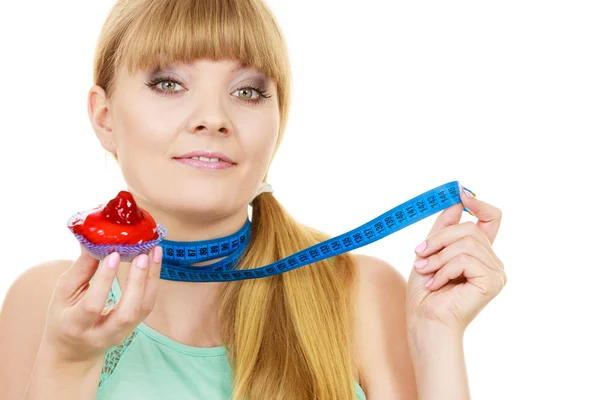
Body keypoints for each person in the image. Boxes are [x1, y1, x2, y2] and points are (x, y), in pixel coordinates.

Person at [0, 0, 506, 399]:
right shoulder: (46, 301)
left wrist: (436, 340)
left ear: (277, 122)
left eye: (247, 92)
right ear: (104, 118)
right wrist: (69, 359)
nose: (213, 117)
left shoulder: (362, 293)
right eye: (169, 83)